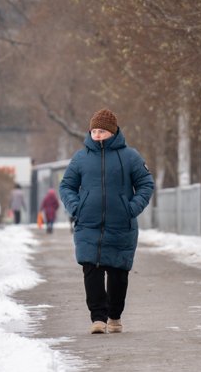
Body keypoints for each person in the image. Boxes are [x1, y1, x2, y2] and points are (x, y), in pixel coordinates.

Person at [60, 108, 154, 334]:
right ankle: (98, 319)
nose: (98, 135)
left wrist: (131, 209)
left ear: (112, 132)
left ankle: (114, 316)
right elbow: (66, 186)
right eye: (94, 131)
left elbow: (145, 184)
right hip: (87, 225)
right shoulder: (81, 158)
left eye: (102, 131)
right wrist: (76, 207)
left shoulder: (131, 156)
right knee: (90, 268)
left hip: (121, 224)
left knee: (118, 274)